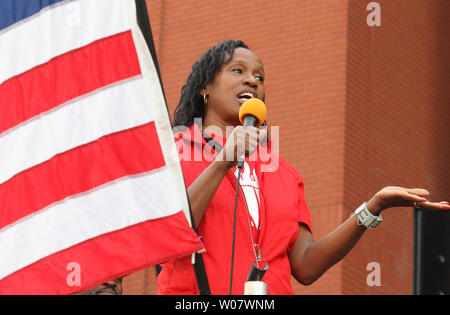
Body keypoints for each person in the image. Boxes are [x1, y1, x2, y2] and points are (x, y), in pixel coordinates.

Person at [156, 40, 449, 295]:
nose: (253, 80)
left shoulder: (283, 173)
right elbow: (168, 232)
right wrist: (223, 163)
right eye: (238, 70)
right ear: (205, 88)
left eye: (259, 76)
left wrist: (373, 207)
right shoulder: (174, 149)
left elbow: (307, 265)